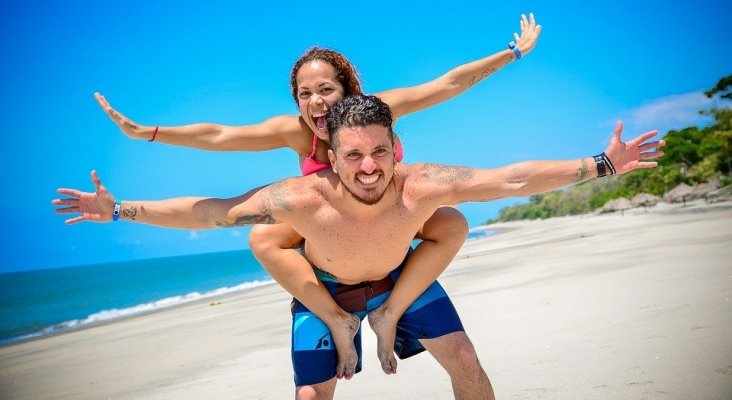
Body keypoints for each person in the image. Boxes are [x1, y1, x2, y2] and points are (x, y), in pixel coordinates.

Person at [54, 94, 664, 399]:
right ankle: (346, 325)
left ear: (394, 145)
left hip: (400, 278)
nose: (369, 167)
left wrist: (604, 163)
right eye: (353, 155)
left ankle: (390, 314)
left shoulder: (422, 183)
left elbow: (513, 178)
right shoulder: (299, 197)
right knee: (311, 396)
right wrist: (119, 210)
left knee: (465, 359)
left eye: (379, 151)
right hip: (328, 292)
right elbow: (213, 213)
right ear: (331, 156)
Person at [93, 14, 543, 378]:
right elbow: (220, 135)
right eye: (304, 94)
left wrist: (512, 53)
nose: (316, 102)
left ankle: (392, 312)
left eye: (326, 89)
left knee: (449, 222)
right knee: (263, 235)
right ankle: (336, 318)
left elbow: (446, 85)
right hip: (331, 234)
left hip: (388, 222)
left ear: (348, 90)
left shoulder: (375, 111)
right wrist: (147, 133)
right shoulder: (296, 130)